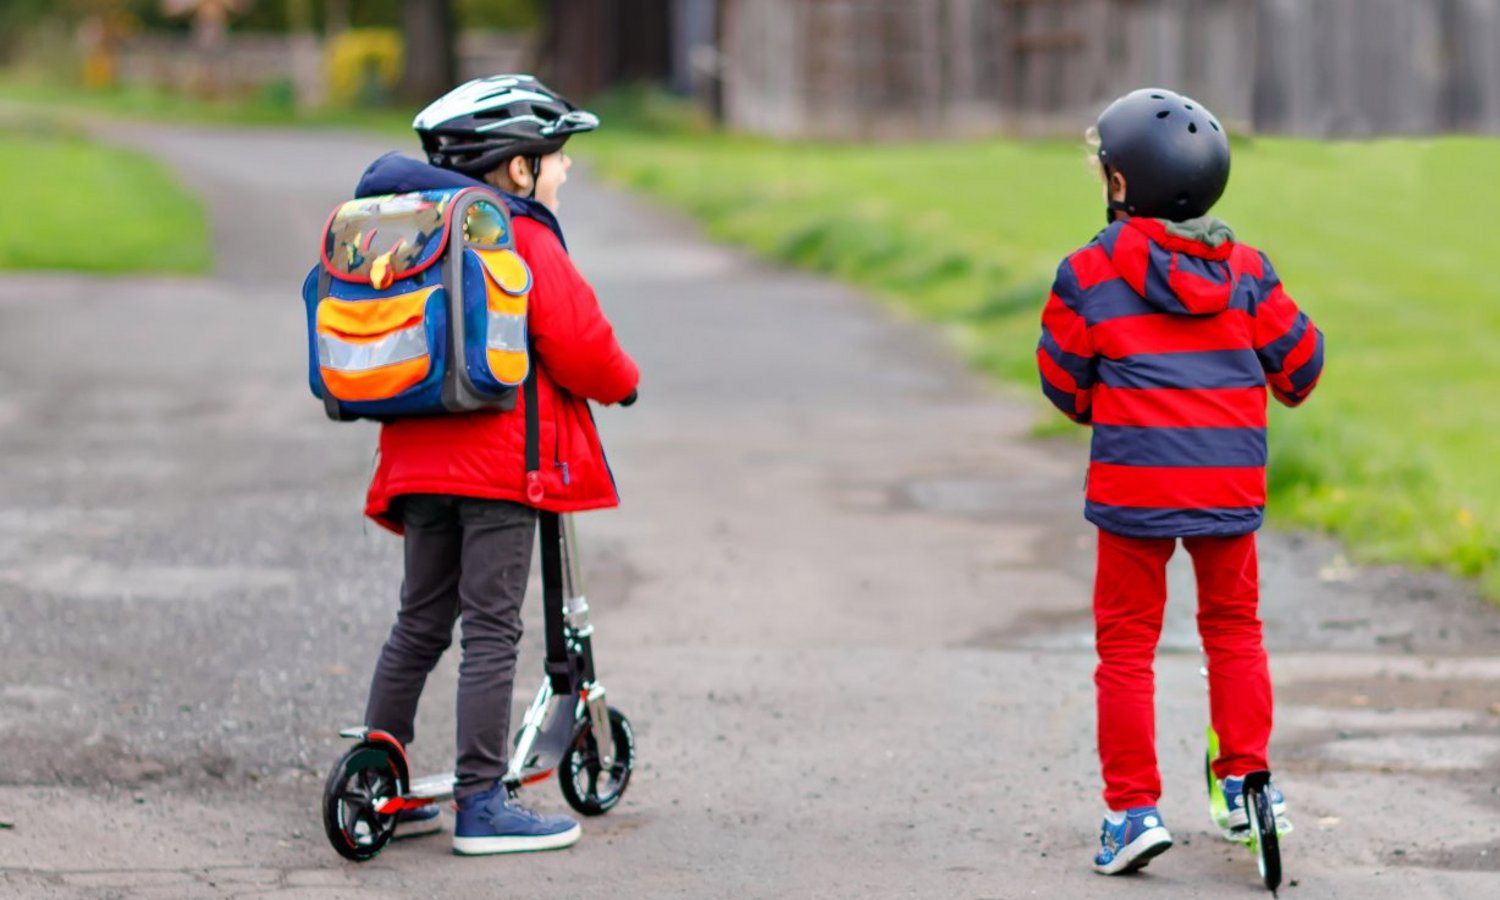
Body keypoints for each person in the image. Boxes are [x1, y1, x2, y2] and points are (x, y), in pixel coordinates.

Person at [1035, 87, 1324, 875]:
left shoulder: (1090, 274)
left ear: (1120, 186)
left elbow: (1064, 386)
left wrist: (1116, 397)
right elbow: (1300, 372)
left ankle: (1133, 813)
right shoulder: (1248, 273)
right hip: (1228, 490)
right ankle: (1247, 788)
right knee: (1233, 631)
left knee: (1126, 646)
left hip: (1134, 489)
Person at [351, 74, 640, 856]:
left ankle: (380, 777)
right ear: (519, 168)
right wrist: (626, 383)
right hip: (498, 474)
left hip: (414, 464)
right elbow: (581, 344)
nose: (566, 169)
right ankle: (483, 801)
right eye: (557, 154)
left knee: (419, 622)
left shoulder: (411, 229)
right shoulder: (521, 233)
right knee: (491, 630)